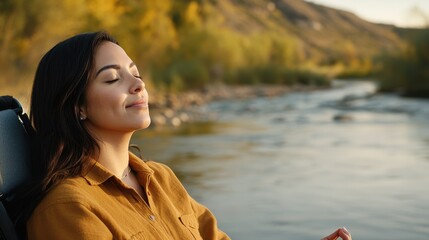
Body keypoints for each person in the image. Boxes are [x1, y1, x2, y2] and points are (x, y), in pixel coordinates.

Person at [19, 31, 351, 240]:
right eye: (112, 79)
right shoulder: (68, 209)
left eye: (136, 74)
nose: (139, 85)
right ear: (77, 106)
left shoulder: (161, 178)